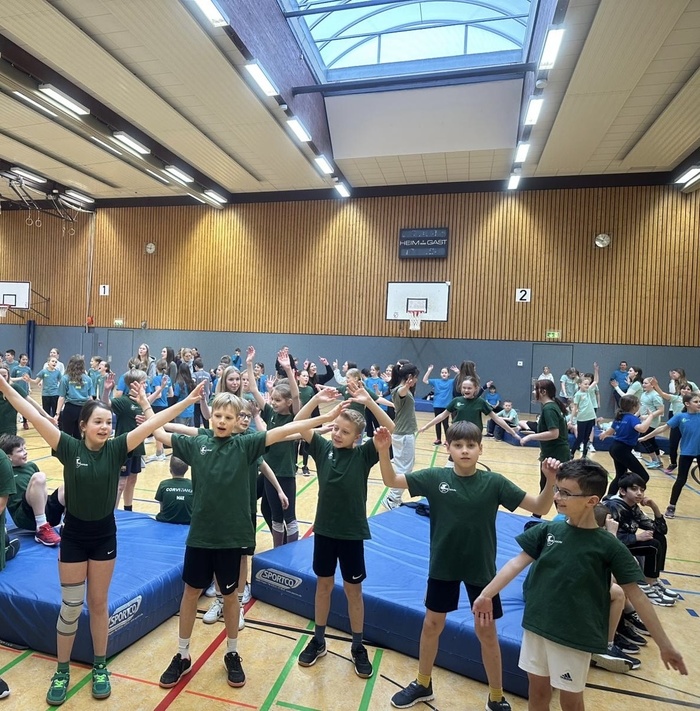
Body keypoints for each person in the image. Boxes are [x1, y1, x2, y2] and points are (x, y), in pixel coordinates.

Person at [0, 367, 205, 706]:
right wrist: (6, 387)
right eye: (98, 422)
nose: (105, 427)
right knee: (70, 607)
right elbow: (32, 414)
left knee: (98, 605)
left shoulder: (117, 448)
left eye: (108, 422)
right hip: (74, 538)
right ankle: (62, 671)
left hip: (104, 538)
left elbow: (153, 424)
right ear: (83, 426)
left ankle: (99, 666)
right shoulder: (68, 447)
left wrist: (187, 400)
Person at [155, 391, 346, 690]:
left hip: (231, 539)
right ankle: (182, 654)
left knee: (231, 596)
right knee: (190, 594)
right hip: (200, 537)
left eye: (228, 417)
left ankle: (232, 652)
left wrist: (327, 417)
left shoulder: (245, 445)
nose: (222, 421)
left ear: (236, 422)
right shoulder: (198, 443)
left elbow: (286, 430)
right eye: (218, 416)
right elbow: (159, 431)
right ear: (211, 417)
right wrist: (152, 402)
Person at [472, 459, 687, 711]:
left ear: (591, 500)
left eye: (566, 493)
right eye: (557, 490)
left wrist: (665, 645)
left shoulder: (608, 545)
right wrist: (486, 595)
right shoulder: (549, 530)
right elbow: (515, 563)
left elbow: (637, 597)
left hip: (574, 635)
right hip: (536, 626)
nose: (557, 497)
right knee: (537, 691)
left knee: (571, 701)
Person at [375, 422, 557, 711]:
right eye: (458, 445)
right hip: (443, 567)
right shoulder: (435, 477)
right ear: (448, 448)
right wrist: (384, 451)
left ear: (480, 449)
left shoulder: (494, 483)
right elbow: (391, 480)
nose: (464, 451)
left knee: (487, 633)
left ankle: (496, 696)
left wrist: (550, 481)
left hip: (481, 572)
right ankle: (423, 683)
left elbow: (541, 506)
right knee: (432, 625)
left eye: (471, 445)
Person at [294, 387, 394, 678]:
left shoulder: (363, 455)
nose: (337, 434)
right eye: (336, 428)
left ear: (357, 437)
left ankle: (358, 646)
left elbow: (391, 428)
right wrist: (319, 404)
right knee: (323, 586)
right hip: (325, 532)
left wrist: (370, 402)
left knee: (353, 591)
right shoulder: (323, 449)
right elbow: (299, 423)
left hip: (351, 535)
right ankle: (319, 640)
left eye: (345, 431)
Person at [246, 347, 301, 547]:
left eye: (278, 400)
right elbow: (253, 389)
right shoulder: (270, 413)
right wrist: (249, 364)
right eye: (273, 399)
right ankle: (278, 550)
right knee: (276, 517)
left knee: (289, 517)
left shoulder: (294, 417)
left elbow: (296, 396)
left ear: (288, 402)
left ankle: (292, 550)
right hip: (270, 473)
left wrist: (288, 370)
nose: (274, 403)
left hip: (286, 473)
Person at [603, 473, 678, 607]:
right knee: (653, 545)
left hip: (625, 543)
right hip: (612, 547)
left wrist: (654, 507)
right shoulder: (612, 506)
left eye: (642, 490)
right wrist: (636, 537)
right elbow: (607, 536)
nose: (639, 493)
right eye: (634, 489)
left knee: (659, 537)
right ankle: (647, 585)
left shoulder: (634, 508)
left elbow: (661, 530)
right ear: (622, 491)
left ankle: (652, 581)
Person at [638, 391, 700, 518]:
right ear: (687, 404)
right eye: (696, 402)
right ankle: (671, 506)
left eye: (699, 401)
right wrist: (645, 437)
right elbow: (662, 428)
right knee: (681, 480)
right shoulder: (680, 417)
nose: (699, 403)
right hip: (687, 452)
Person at [0, 434, 64, 546]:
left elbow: (41, 490)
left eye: (25, 448)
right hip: (24, 516)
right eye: (20, 450)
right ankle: (41, 528)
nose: (25, 452)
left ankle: (68, 525)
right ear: (9, 457)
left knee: (66, 487)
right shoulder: (4, 473)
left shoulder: (31, 466)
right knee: (39, 476)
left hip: (44, 511)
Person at [419, 377, 521, 444]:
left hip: (474, 435)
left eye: (469, 388)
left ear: (475, 389)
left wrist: (513, 433)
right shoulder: (456, 401)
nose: (466, 390)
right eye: (464, 388)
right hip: (458, 434)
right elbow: (442, 416)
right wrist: (426, 426)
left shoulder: (480, 402)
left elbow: (497, 419)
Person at [521, 380, 570, 493]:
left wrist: (530, 437)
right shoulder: (551, 406)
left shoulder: (549, 409)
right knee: (548, 488)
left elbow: (554, 433)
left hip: (556, 455)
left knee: (549, 489)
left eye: (535, 389)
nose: (533, 392)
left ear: (543, 392)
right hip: (553, 453)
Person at [599, 395, 654, 495]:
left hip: (615, 448)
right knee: (643, 476)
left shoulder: (620, 416)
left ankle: (610, 498)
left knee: (620, 476)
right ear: (634, 407)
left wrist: (604, 434)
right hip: (622, 450)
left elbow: (611, 431)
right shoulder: (632, 418)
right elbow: (642, 429)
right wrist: (651, 417)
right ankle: (626, 496)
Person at [650, 378, 692, 474]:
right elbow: (663, 394)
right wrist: (656, 386)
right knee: (673, 445)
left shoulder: (694, 401)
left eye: (688, 389)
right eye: (684, 389)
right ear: (680, 390)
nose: (686, 390)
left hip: (688, 426)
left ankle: (685, 464)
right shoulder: (676, 398)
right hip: (677, 425)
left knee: (687, 446)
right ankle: (673, 463)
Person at [56, 355, 94, 439]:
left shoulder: (65, 379)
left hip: (70, 408)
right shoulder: (88, 379)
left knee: (67, 434)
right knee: (79, 435)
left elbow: (62, 397)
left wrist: (57, 413)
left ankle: (67, 448)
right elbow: (90, 398)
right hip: (83, 409)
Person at [422, 364, 455, 445]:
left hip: (446, 405)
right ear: (440, 374)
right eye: (442, 372)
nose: (444, 374)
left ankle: (447, 440)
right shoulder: (436, 381)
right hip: (437, 404)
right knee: (437, 422)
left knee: (445, 423)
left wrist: (458, 372)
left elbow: (461, 379)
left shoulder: (451, 382)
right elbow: (425, 380)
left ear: (448, 374)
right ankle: (438, 439)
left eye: (445, 372)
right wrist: (429, 370)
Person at [155, 456, 192, 524]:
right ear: (187, 469)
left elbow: (162, 507)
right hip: (188, 520)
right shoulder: (192, 484)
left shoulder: (164, 484)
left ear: (170, 470)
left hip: (166, 519)